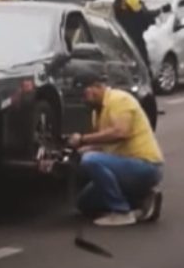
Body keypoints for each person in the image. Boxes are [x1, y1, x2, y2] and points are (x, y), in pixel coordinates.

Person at [68, 70, 164, 227]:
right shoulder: (97, 111)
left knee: (90, 160)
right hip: (123, 166)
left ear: (96, 87)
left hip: (145, 165)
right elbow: (106, 142)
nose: (82, 98)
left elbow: (121, 132)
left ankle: (121, 212)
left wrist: (83, 140)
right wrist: (84, 148)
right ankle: (140, 201)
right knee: (85, 204)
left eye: (84, 92)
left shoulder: (119, 100)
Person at [112, 0, 158, 66]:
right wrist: (159, 12)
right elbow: (143, 14)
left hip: (121, 35)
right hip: (134, 36)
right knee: (143, 61)